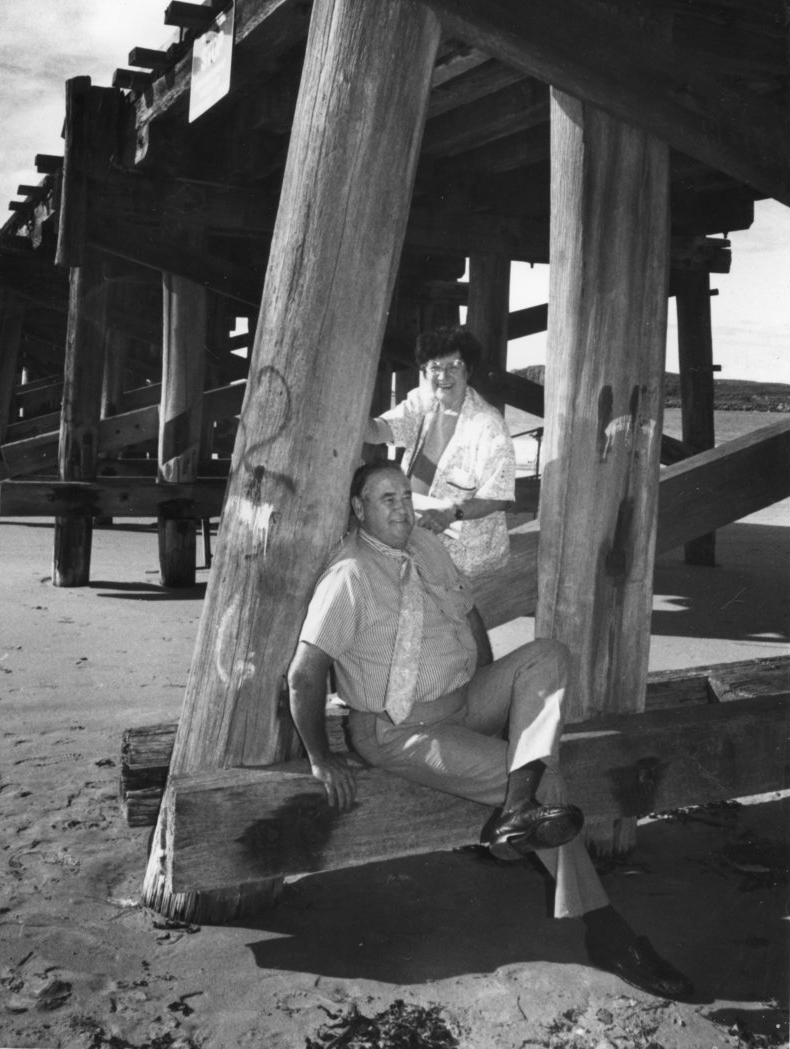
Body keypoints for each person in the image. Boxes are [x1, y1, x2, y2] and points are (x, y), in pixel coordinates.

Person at [286, 462, 694, 1000]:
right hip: (400, 729)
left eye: (404, 496)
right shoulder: (350, 575)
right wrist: (319, 757)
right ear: (359, 509)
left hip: (463, 698)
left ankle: (516, 806)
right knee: (551, 784)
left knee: (546, 654)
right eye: (385, 499)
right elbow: (304, 674)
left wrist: (491, 685)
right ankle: (608, 932)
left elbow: (469, 612)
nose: (402, 508)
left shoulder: (427, 547)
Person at [365, 325, 515, 580]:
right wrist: (351, 409)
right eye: (435, 367)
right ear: (424, 371)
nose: (443, 375)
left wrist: (450, 513)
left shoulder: (488, 425)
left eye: (453, 366)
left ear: (468, 370)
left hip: (464, 555)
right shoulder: (423, 405)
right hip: (415, 534)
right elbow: (378, 431)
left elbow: (498, 497)